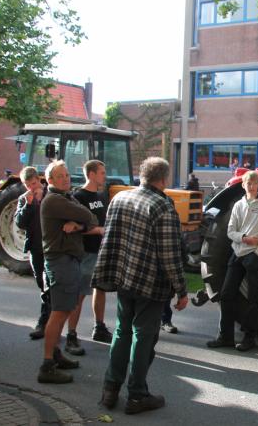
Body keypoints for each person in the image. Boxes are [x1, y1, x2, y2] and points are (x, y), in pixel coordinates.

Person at [92, 157, 188, 415]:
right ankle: (137, 395)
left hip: (124, 278)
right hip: (150, 284)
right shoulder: (162, 206)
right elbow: (170, 254)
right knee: (143, 336)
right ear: (163, 179)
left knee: (123, 330)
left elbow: (110, 240)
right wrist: (181, 289)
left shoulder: (120, 199)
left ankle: (110, 390)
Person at [38, 161, 98, 384]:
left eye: (66, 175)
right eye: (60, 176)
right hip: (61, 261)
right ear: (51, 180)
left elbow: (90, 219)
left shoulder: (66, 197)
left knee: (64, 308)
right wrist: (83, 220)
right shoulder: (55, 200)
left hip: (69, 260)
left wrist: (78, 225)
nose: (66, 179)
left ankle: (55, 354)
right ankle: (47, 365)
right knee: (60, 311)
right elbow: (88, 215)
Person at [207, 170, 258, 352]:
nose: (251, 186)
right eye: (248, 183)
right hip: (238, 253)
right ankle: (226, 336)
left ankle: (249, 337)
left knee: (254, 297)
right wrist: (244, 238)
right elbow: (230, 231)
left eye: (254, 183)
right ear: (243, 185)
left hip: (254, 255)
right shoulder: (238, 205)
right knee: (227, 294)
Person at [70, 160, 113, 349]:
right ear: (92, 174)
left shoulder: (102, 195)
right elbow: (74, 228)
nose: (105, 176)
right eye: (102, 173)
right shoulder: (78, 196)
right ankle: (71, 334)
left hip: (101, 251)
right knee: (79, 294)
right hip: (86, 252)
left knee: (100, 289)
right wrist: (98, 231)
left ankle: (99, 327)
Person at [14, 166, 49, 340]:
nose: (32, 188)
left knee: (50, 286)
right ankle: (47, 321)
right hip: (36, 248)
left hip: (51, 247)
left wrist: (42, 200)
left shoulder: (50, 194)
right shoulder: (23, 199)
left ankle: (45, 323)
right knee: (42, 286)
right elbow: (20, 222)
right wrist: (28, 204)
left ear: (39, 179)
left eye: (34, 183)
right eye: (27, 185)